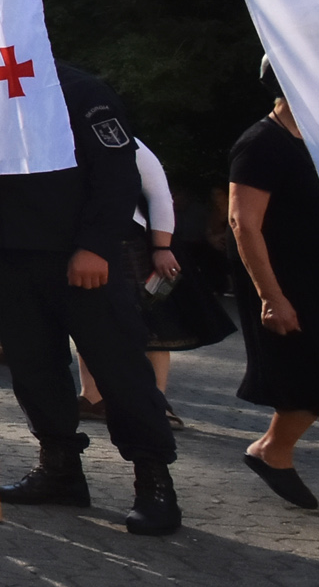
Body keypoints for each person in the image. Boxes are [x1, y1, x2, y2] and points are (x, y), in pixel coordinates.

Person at [0, 64, 179, 535]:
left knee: (120, 372)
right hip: (13, 255)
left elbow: (117, 174)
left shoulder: (84, 91)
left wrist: (95, 245)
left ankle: (153, 481)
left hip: (81, 258)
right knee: (33, 370)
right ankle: (60, 469)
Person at [79, 137, 232, 426]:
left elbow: (160, 194)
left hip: (134, 242)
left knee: (152, 321)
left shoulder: (124, 141)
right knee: (89, 318)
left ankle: (156, 400)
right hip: (81, 242)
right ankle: (93, 397)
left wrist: (162, 248)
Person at [230, 79, 319, 509]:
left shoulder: (313, 138)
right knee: (308, 380)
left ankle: (271, 449)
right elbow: (243, 223)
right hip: (287, 282)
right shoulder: (262, 143)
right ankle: (272, 451)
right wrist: (271, 296)